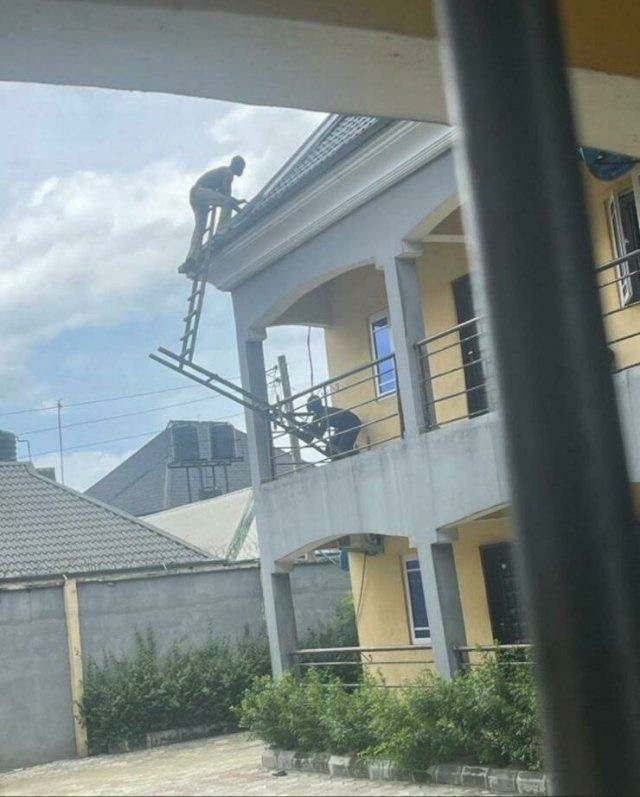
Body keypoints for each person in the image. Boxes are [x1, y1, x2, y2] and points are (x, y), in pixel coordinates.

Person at [179, 155, 247, 274]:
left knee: (200, 228)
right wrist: (240, 210)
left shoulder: (222, 173)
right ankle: (221, 232)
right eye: (242, 167)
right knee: (226, 202)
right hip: (201, 192)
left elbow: (226, 197)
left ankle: (191, 260)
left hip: (195, 195)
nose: (242, 171)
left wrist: (236, 203)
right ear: (236, 165)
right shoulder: (228, 173)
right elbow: (226, 198)